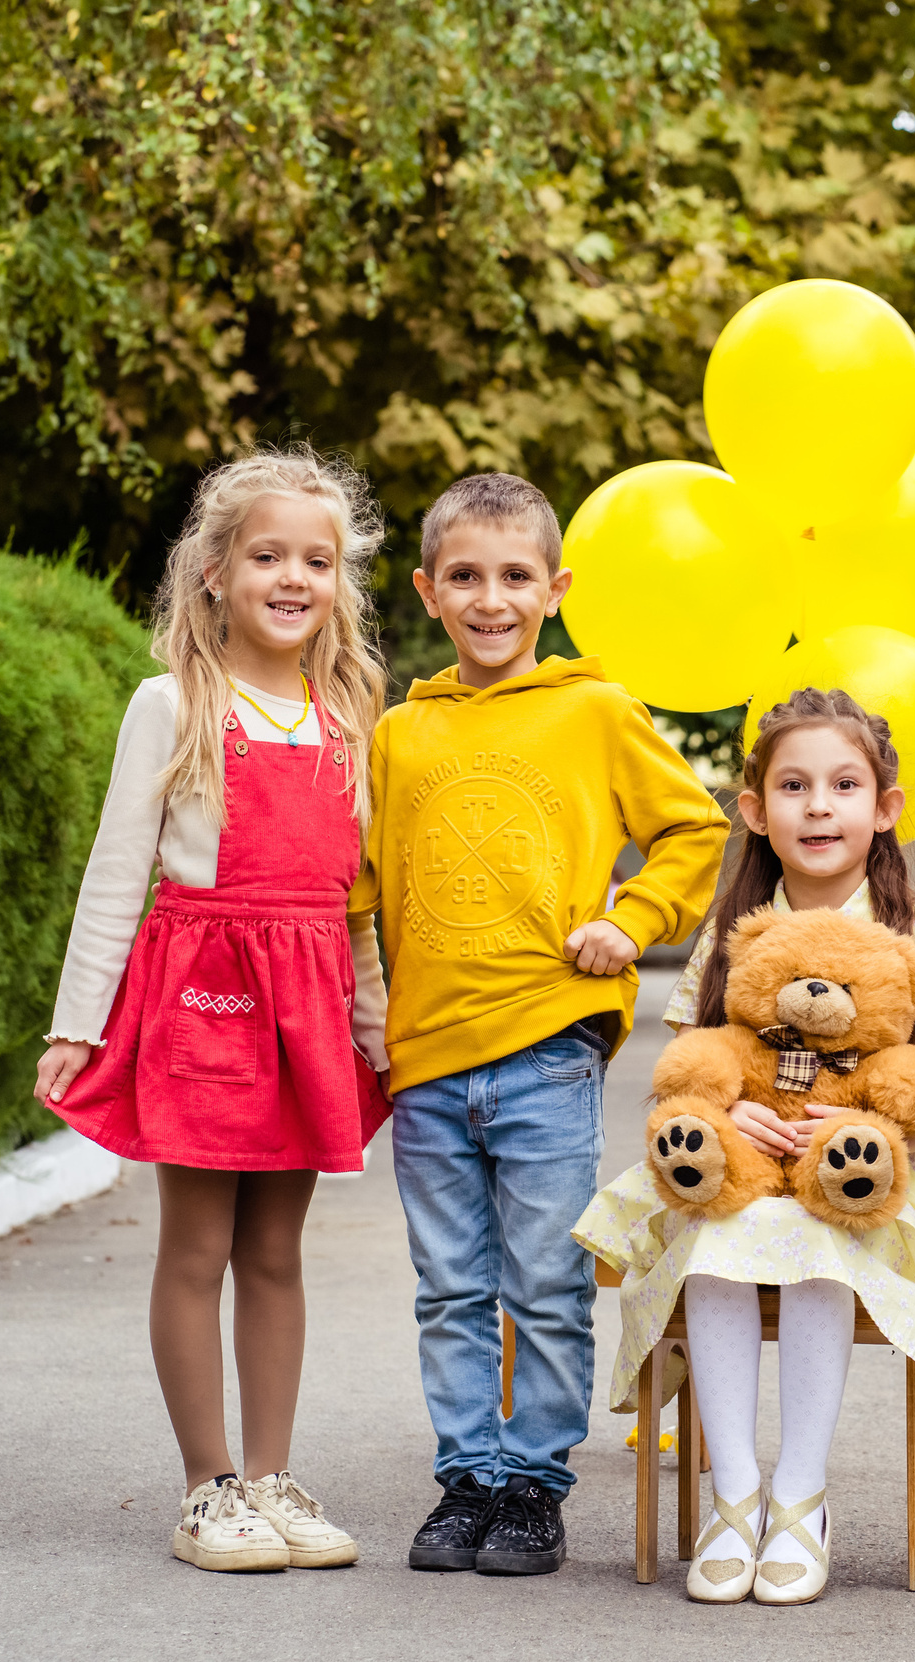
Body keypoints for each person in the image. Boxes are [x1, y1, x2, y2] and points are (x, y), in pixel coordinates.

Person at [575, 688, 915, 1607]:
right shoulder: (732, 933)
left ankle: (800, 1493)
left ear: (884, 807)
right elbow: (685, 1072)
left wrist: (864, 1130)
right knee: (714, 1246)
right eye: (793, 785)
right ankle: (734, 1492)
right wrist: (727, 1115)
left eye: (843, 784)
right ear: (755, 810)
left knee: (817, 1249)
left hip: (867, 1190)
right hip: (743, 1177)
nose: (819, 806)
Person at [354, 471, 731, 1578]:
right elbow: (356, 891)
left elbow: (691, 833)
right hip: (425, 1061)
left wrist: (631, 919)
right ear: (427, 590)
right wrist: (367, 1010)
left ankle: (534, 1483)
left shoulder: (598, 711)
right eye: (465, 576)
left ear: (555, 588)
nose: (491, 598)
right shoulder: (398, 733)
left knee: (545, 1280)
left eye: (516, 576)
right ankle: (465, 1477)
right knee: (451, 1287)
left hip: (547, 1046)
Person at [35, 446, 393, 1573]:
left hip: (309, 1001)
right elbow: (115, 873)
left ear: (341, 582)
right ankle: (207, 1488)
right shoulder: (173, 701)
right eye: (269, 555)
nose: (294, 577)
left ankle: (273, 1477)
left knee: (276, 1251)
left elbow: (364, 901)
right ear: (214, 571)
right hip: (205, 995)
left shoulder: (351, 712)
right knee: (196, 1247)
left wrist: (376, 1024)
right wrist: (76, 1023)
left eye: (318, 560)